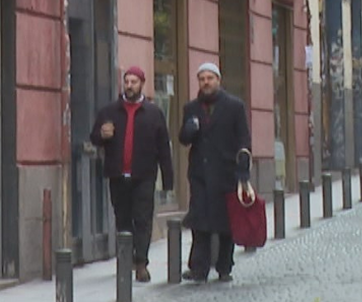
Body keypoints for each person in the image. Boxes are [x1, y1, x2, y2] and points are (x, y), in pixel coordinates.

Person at [90, 66, 174, 283]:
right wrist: (101, 134)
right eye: (126, 81)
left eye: (134, 82)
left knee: (142, 220)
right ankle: (125, 261)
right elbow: (94, 137)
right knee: (122, 219)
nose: (129, 86)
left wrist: (168, 179)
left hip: (144, 175)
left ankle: (141, 263)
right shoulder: (109, 111)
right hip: (118, 175)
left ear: (142, 84)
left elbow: (164, 147)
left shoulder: (154, 113)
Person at [179, 62, 250, 284]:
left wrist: (243, 171)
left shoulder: (234, 106)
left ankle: (224, 267)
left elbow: (244, 139)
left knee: (225, 224)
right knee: (200, 222)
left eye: (210, 78)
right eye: (202, 79)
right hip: (200, 174)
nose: (206, 82)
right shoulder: (191, 108)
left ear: (218, 80)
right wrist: (189, 131)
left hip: (226, 173)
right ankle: (198, 268)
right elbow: (183, 139)